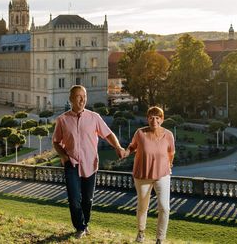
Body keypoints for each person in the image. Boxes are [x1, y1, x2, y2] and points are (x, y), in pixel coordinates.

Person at [52, 85, 124, 239]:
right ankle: (79, 227)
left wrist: (117, 146)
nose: (82, 99)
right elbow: (56, 142)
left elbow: (108, 134)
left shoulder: (94, 117)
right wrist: (64, 157)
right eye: (78, 96)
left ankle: (85, 224)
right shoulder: (62, 120)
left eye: (84, 96)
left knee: (87, 199)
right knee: (74, 199)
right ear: (71, 99)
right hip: (71, 164)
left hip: (90, 164)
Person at [123, 106, 175, 244]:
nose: (154, 120)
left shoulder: (168, 135)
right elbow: (132, 147)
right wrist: (125, 153)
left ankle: (160, 238)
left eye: (158, 117)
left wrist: (169, 165)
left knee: (164, 207)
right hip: (142, 176)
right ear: (147, 118)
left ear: (162, 119)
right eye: (151, 117)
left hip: (162, 175)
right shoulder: (140, 133)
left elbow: (171, 153)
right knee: (142, 206)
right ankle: (141, 233)